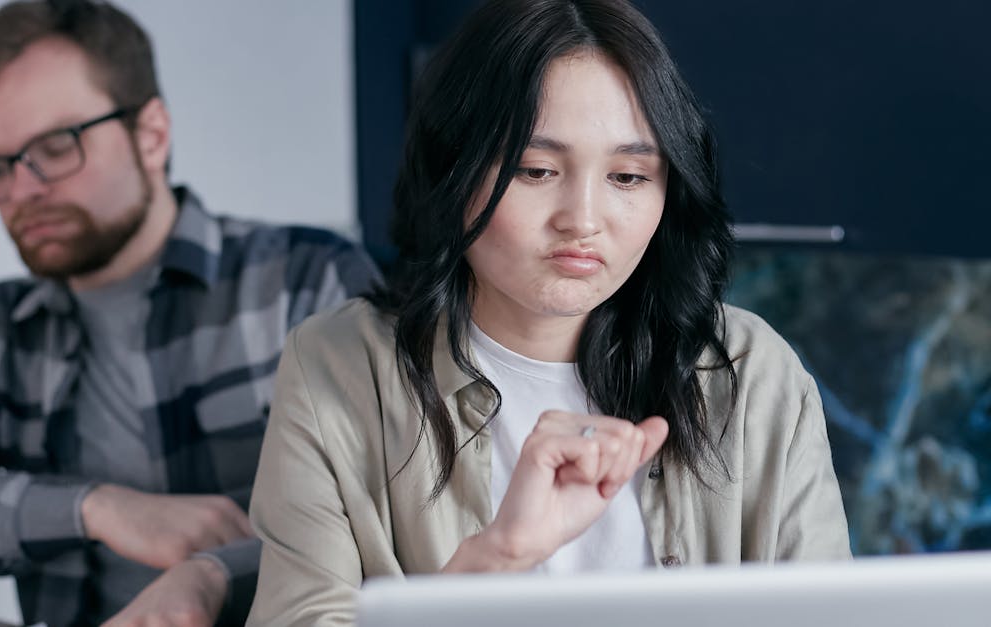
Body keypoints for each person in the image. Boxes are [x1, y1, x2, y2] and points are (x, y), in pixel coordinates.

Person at [245, 0, 851, 624]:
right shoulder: (337, 368)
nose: (583, 220)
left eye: (628, 176)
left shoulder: (752, 374)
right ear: (450, 167)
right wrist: (497, 558)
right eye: (536, 170)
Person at [0, 1, 380, 625]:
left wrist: (214, 576)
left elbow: (388, 524)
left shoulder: (306, 279)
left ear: (151, 135)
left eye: (55, 147)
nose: (21, 191)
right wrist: (96, 508)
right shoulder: (1, 330)